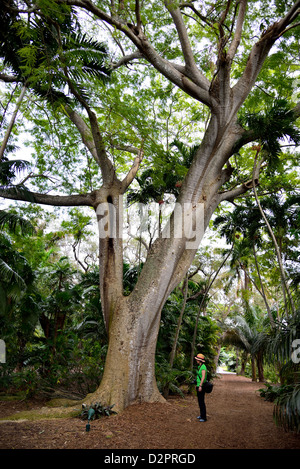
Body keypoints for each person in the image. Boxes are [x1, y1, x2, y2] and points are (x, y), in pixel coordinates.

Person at [195, 353, 207, 422]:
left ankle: (204, 417)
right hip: (198, 385)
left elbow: (203, 377)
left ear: (200, 360)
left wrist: (200, 386)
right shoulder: (199, 366)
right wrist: (196, 385)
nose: (196, 360)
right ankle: (201, 415)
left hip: (201, 386)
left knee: (202, 401)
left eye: (197, 359)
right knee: (199, 401)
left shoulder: (203, 367)